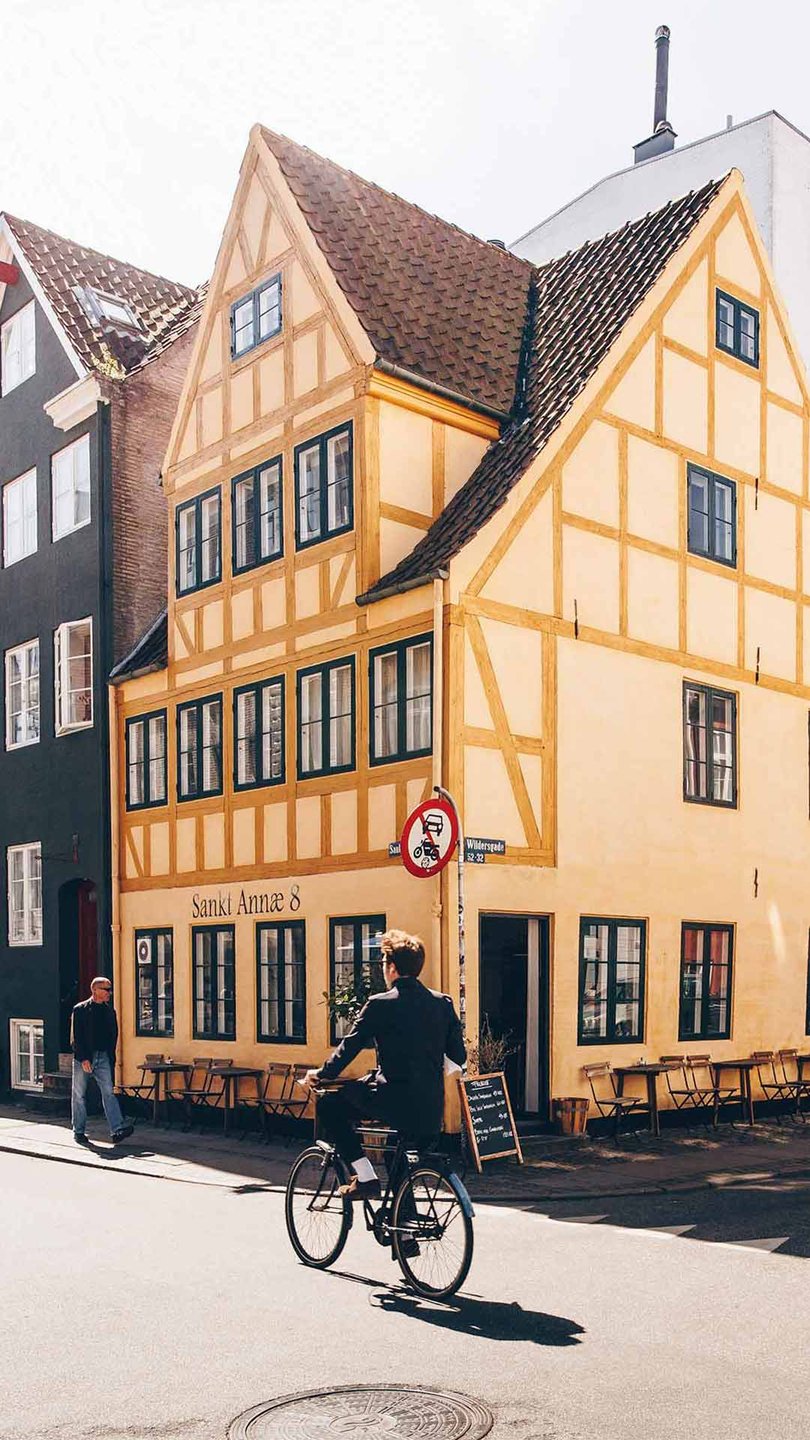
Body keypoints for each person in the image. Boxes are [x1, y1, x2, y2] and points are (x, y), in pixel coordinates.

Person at [303, 929, 466, 1199]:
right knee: (397, 1160)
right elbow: (458, 1056)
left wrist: (322, 1074)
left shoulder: (379, 1005)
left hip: (394, 1100)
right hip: (430, 1106)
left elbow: (349, 1048)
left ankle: (365, 1177)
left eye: (383, 964)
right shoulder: (442, 1004)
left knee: (329, 1106)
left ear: (391, 967)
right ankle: (405, 1233)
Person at [71, 976, 134, 1145]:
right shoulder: (80, 1009)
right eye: (106, 989)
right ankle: (78, 1131)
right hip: (84, 1057)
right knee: (79, 1095)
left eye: (110, 989)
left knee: (108, 1092)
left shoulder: (109, 1011)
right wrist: (84, 1058)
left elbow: (113, 1035)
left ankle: (117, 1129)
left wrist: (110, 1056)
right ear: (95, 990)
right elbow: (77, 1037)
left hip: (103, 1057)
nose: (109, 993)